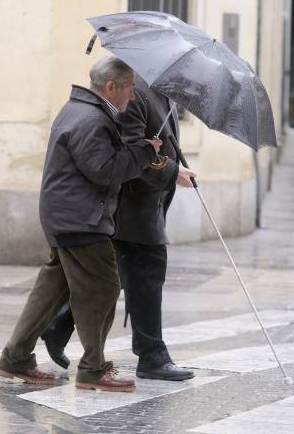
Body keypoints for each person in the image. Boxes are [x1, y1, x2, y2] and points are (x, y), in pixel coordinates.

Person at [0, 56, 162, 393]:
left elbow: (102, 161)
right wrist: (146, 154)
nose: (132, 96)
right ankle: (93, 369)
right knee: (102, 289)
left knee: (51, 291)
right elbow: (105, 170)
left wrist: (139, 148)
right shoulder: (90, 119)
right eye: (129, 89)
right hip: (81, 218)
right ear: (110, 86)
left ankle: (15, 358)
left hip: (68, 215)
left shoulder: (82, 111)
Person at [39, 76, 198, 381]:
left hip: (147, 205)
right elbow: (131, 148)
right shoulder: (135, 92)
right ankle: (152, 355)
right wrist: (171, 172)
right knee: (146, 274)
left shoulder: (163, 94)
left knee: (117, 279)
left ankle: (58, 327)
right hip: (131, 205)